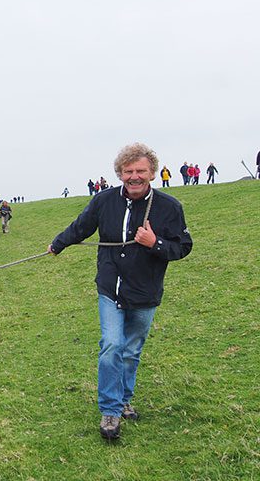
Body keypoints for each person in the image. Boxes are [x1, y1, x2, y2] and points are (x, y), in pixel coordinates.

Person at [48, 143, 192, 441]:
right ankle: (110, 409)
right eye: (128, 171)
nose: (134, 177)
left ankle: (124, 398)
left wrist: (156, 243)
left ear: (152, 172)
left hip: (145, 291)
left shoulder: (169, 207)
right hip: (110, 287)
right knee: (112, 345)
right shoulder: (104, 201)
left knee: (131, 351)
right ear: (119, 173)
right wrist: (58, 243)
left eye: (140, 171)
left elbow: (183, 247)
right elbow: (81, 227)